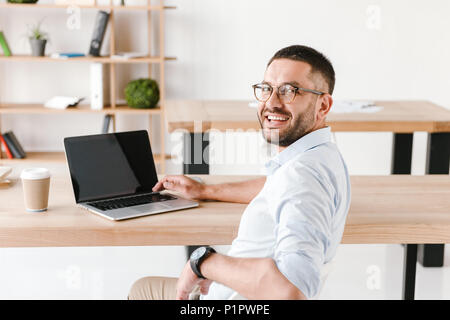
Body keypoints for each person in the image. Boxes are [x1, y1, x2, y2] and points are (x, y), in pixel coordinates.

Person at [128, 45, 351, 300]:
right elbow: (278, 187)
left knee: (142, 291)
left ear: (323, 105)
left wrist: (203, 262)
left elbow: (292, 293)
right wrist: (205, 190)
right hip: (232, 290)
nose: (272, 103)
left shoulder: (301, 178)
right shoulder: (321, 155)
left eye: (290, 91)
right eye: (267, 89)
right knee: (144, 286)